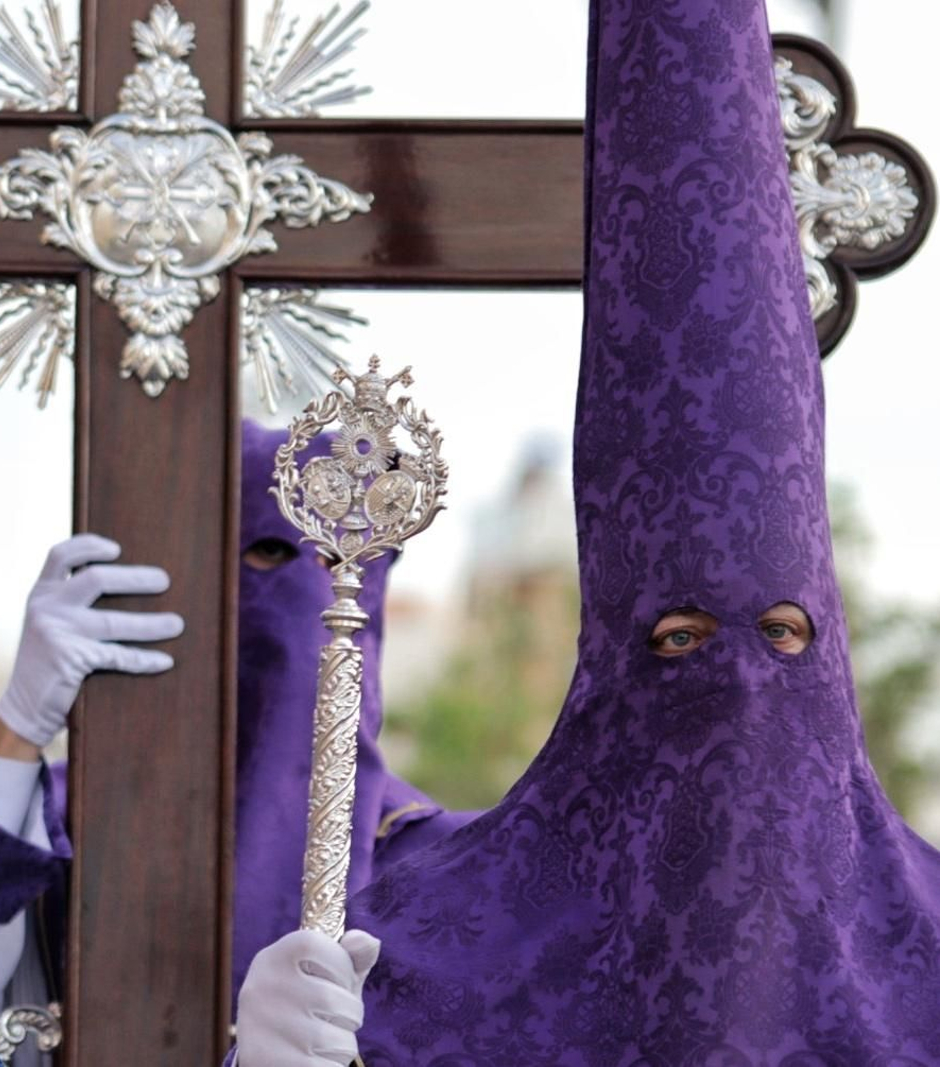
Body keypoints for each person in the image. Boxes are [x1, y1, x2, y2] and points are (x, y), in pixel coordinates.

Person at [234, 0, 940, 1062]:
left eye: (784, 635)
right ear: (605, 661)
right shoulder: (417, 952)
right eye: (680, 641)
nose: (738, 687)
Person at [0, 421, 476, 1058]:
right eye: (271, 552)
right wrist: (17, 732)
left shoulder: (444, 872)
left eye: (344, 563)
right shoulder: (52, 824)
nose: (317, 598)